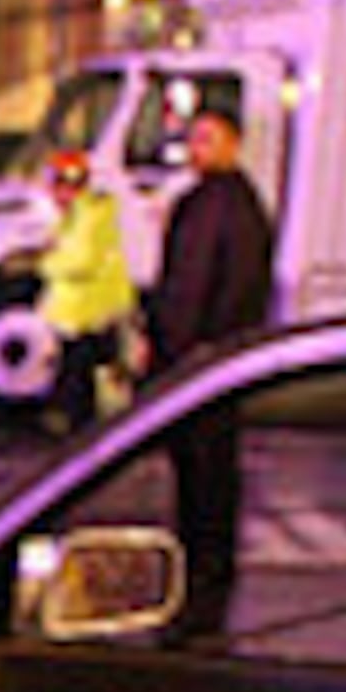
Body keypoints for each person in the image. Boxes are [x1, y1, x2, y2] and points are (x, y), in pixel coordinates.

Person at [139, 103, 278, 627]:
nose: (198, 149)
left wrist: (197, 346)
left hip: (205, 360)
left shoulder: (232, 207)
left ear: (233, 144)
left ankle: (208, 564)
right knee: (196, 465)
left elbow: (221, 286)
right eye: (194, 139)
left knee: (209, 463)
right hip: (198, 357)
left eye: (209, 139)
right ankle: (200, 558)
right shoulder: (207, 201)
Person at [35, 148, 136, 438]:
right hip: (79, 316)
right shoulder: (78, 215)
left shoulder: (90, 215)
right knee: (83, 382)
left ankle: (92, 440)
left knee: (88, 384)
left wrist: (44, 264)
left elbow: (80, 261)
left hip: (92, 316)